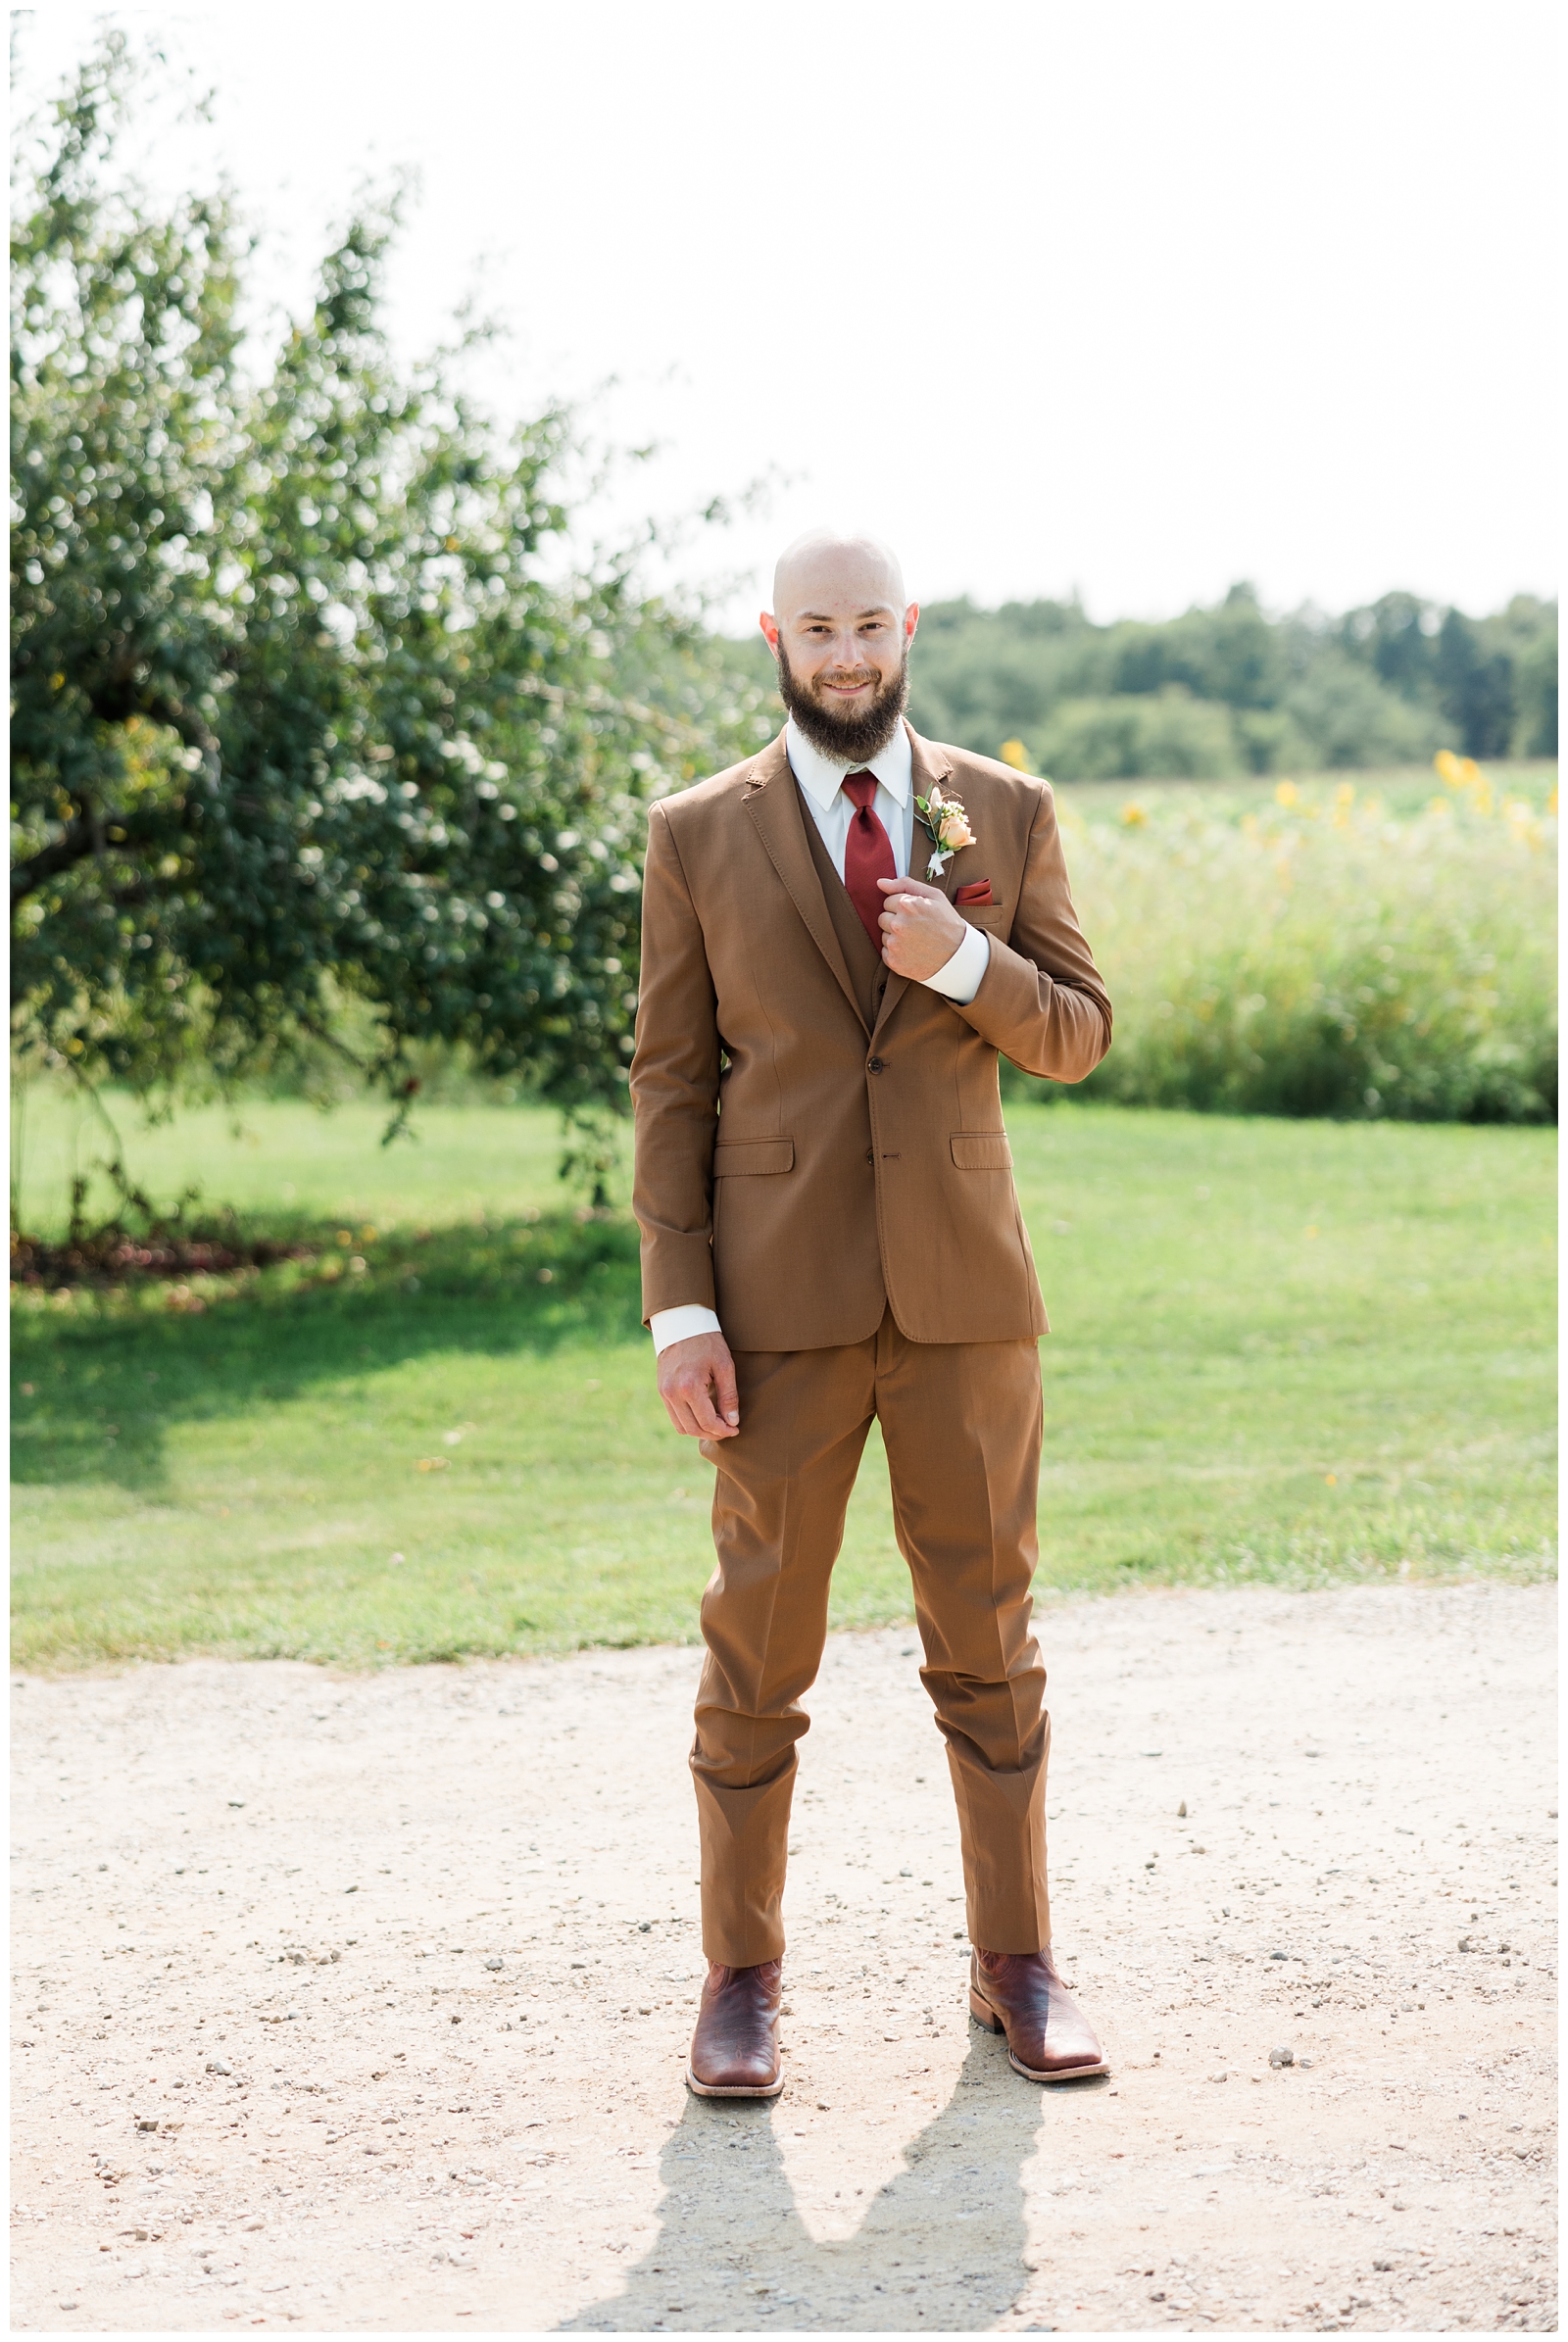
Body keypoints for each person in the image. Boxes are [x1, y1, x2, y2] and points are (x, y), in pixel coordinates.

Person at [629, 529, 1113, 2096]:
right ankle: (741, 1979)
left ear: (907, 630)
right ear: (776, 634)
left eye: (868, 627)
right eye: (816, 628)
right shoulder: (697, 831)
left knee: (991, 1642)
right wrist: (679, 1307)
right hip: (776, 1309)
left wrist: (968, 955)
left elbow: (1080, 1035)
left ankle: (1017, 1962)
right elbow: (668, 1085)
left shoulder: (1007, 811)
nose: (845, 655)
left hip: (967, 1301)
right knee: (756, 1648)